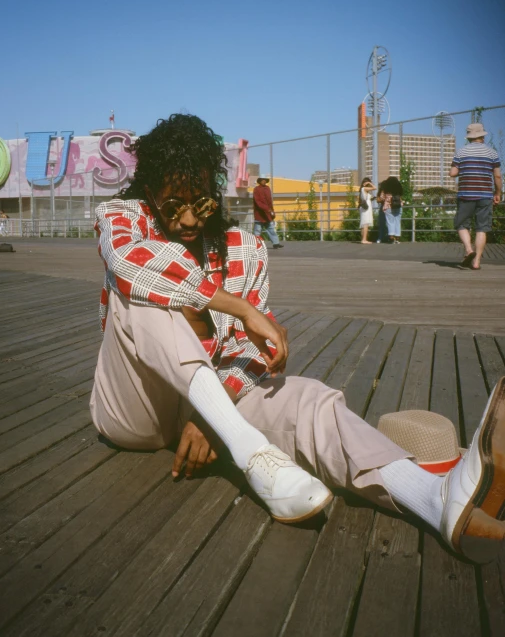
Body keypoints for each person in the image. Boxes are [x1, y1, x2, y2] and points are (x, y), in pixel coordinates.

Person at [91, 113, 505, 562]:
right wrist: (242, 308)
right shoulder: (122, 218)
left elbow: (250, 350)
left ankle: (435, 497)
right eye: (173, 205)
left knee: (310, 400)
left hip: (209, 405)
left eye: (203, 203)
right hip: (135, 411)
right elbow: (131, 265)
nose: (189, 219)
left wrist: (211, 418)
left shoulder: (244, 249)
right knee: (144, 293)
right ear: (150, 193)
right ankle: (252, 453)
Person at [450, 122, 502, 271]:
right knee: (482, 228)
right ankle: (477, 262)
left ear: (469, 137)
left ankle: (468, 250)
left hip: (466, 194)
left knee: (461, 224)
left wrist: (465, 168)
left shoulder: (461, 152)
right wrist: (497, 193)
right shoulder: (492, 153)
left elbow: (453, 173)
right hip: (485, 195)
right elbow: (497, 176)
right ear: (482, 136)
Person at [253, 176, 283, 249]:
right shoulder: (256, 189)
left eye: (265, 180)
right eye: (262, 180)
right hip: (259, 213)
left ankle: (276, 243)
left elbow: (270, 202)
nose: (264, 181)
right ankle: (255, 244)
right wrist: (266, 208)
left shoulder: (267, 188)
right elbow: (258, 202)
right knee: (257, 230)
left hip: (267, 214)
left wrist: (272, 211)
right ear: (259, 181)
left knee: (271, 228)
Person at [379, 176, 404, 243]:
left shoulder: (386, 188)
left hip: (388, 206)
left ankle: (391, 238)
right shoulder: (398, 188)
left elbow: (381, 197)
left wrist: (386, 199)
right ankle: (398, 238)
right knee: (397, 222)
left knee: (390, 222)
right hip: (398, 206)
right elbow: (401, 196)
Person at [358, 177, 376, 244]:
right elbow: (375, 188)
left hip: (365, 207)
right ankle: (364, 239)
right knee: (365, 223)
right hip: (366, 208)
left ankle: (363, 238)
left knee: (364, 224)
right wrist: (369, 183)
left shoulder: (362, 190)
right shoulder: (364, 188)